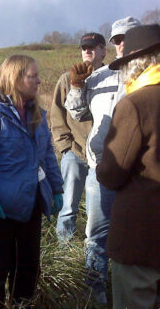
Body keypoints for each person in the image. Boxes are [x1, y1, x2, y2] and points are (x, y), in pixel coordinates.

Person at [0, 55, 63, 308]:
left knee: (27, 269)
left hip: (30, 205)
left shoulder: (35, 113)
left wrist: (57, 188)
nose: (39, 81)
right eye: (33, 76)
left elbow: (47, 154)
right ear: (16, 78)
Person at [64, 16, 141, 304]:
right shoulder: (99, 75)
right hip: (100, 168)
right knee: (96, 236)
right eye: (117, 40)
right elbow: (78, 113)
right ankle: (95, 294)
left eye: (127, 38)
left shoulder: (151, 74)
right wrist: (76, 86)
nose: (122, 44)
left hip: (139, 173)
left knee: (136, 233)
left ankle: (134, 293)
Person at [96, 24, 160, 309]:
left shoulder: (136, 103)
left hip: (142, 236)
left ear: (137, 63)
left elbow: (112, 172)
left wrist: (100, 164)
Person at [51, 33, 106, 243]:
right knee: (68, 206)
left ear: (103, 50)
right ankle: (64, 250)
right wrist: (65, 146)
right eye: (84, 48)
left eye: (92, 47)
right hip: (75, 152)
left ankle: (94, 249)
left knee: (98, 207)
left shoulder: (113, 77)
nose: (87, 51)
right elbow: (56, 114)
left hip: (102, 155)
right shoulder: (67, 79)